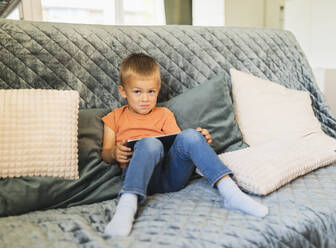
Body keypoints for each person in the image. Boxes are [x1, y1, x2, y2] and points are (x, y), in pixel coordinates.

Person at [101, 53, 268, 236]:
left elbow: (177, 142)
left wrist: (198, 140)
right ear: (123, 91)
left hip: (172, 177)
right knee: (150, 144)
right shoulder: (114, 117)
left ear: (158, 90)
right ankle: (127, 205)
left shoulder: (164, 114)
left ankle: (230, 192)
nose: (145, 99)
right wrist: (114, 153)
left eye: (151, 92)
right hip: (140, 179)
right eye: (137, 92)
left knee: (190, 135)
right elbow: (105, 154)